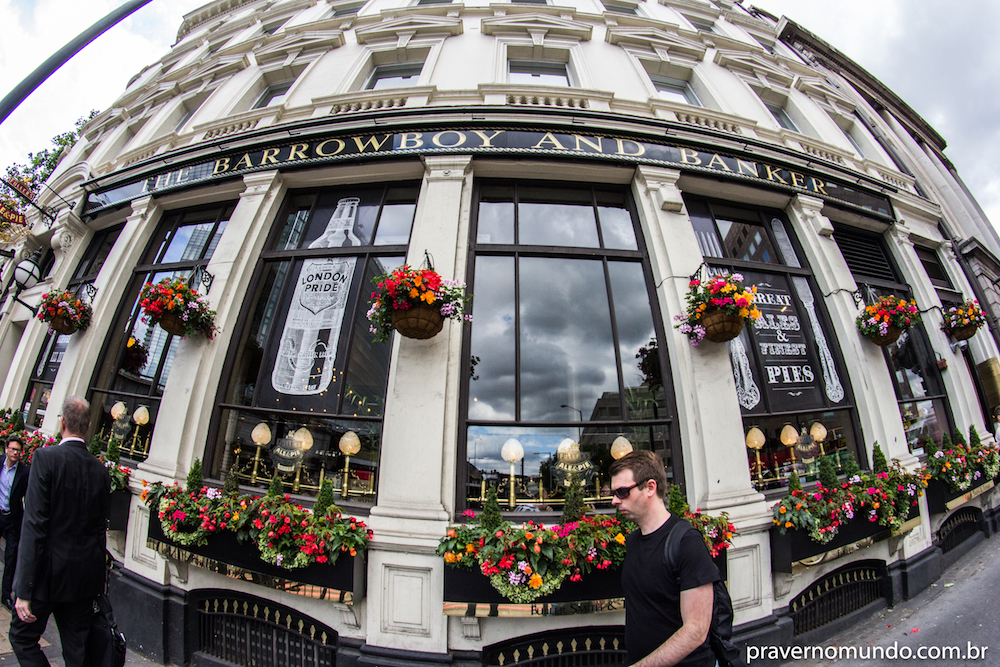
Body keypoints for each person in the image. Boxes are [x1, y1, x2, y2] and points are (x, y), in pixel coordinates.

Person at [10, 396, 111, 667]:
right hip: (83, 578)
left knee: (21, 637)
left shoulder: (45, 459)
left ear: (62, 423)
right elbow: (99, 528)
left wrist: (23, 589)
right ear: (88, 426)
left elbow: (34, 525)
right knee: (77, 652)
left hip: (46, 576)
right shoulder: (101, 471)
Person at [610, 450, 718, 667]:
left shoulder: (687, 542)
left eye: (622, 492)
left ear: (650, 487)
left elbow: (696, 630)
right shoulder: (633, 541)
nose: (614, 501)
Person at [0, 435, 29, 610]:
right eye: (12, 449)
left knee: (11, 558)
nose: (15, 453)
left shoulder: (24, 472)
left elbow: (28, 496)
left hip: (13, 518)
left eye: (18, 450)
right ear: (6, 449)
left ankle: (5, 595)